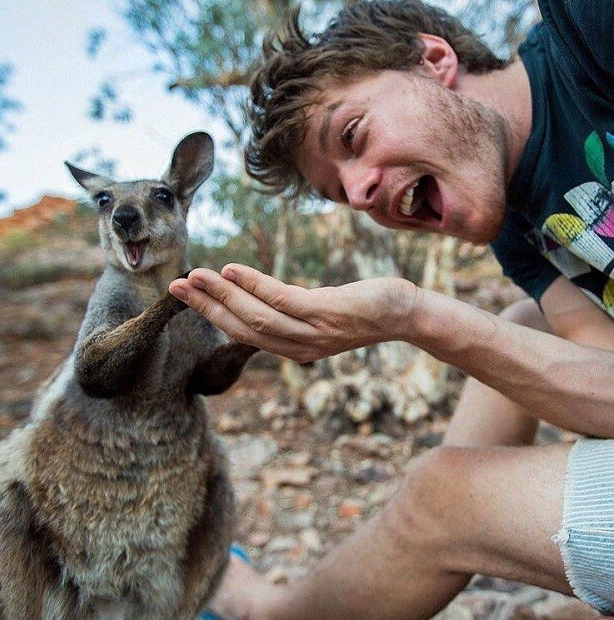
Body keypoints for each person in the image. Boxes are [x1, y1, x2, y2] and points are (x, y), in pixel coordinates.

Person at [169, 0, 614, 617]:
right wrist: (413, 317)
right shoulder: (517, 228)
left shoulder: (586, 32)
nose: (359, 193)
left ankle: (269, 614)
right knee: (525, 324)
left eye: (352, 135)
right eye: (341, 194)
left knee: (444, 497)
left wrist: (417, 316)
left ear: (434, 60)